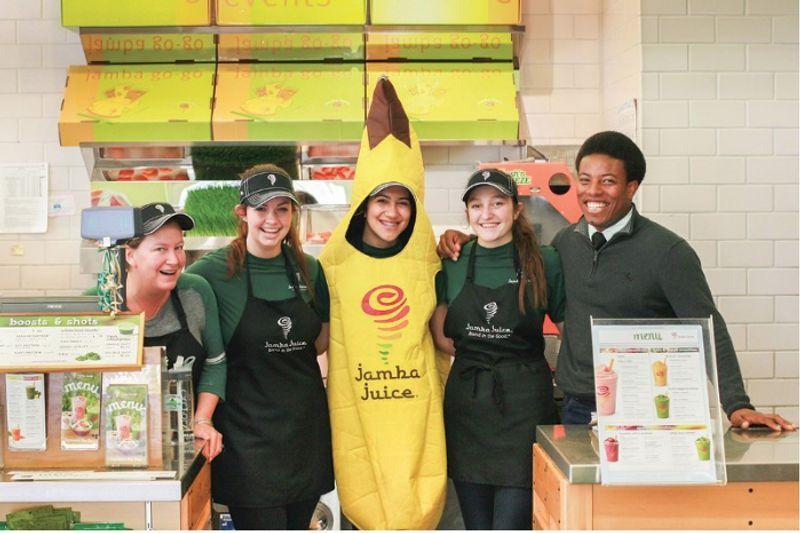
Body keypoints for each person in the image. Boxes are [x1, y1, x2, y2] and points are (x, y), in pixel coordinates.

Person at [439, 131, 795, 432]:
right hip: (577, 409)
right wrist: (467, 240)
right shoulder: (565, 244)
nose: (593, 192)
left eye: (607, 181)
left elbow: (708, 328)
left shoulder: (667, 252)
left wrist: (737, 404)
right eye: (585, 179)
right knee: (577, 513)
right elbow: (508, 252)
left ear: (632, 187)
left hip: (643, 410)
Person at [318, 77, 448, 530]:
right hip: (359, 405)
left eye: (403, 202)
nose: (392, 212)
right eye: (382, 200)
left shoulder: (430, 255)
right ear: (363, 204)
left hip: (415, 409)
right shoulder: (334, 262)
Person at [187, 165, 333, 530]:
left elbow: (322, 341)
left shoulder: (310, 269)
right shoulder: (212, 272)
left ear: (293, 213)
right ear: (242, 213)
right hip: (246, 439)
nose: (272, 219)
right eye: (261, 209)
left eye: (282, 209)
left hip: (304, 433)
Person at [430, 169, 564, 530]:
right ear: (467, 214)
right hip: (468, 409)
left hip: (523, 407)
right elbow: (442, 337)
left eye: (497, 203)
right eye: (477, 205)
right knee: (475, 524)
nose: (487, 214)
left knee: (511, 523)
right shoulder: (452, 261)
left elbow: (568, 331)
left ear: (516, 209)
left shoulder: (545, 260)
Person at [86, 202, 225, 461]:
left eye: (179, 248)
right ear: (130, 255)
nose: (174, 260)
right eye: (160, 249)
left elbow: (216, 363)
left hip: (181, 444)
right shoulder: (98, 303)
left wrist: (203, 420)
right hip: (115, 446)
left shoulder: (195, 292)